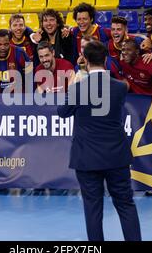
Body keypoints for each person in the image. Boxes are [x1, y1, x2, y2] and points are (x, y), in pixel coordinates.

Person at [57, 40, 141, 241]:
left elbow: (63, 113)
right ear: (106, 59)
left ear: (84, 60)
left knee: (93, 207)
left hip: (87, 157)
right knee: (125, 203)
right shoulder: (120, 88)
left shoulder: (78, 88)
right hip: (116, 156)